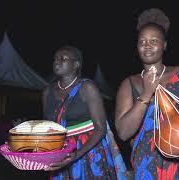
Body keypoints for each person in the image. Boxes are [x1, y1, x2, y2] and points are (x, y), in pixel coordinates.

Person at [115, 8, 179, 179]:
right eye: (142, 41)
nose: (147, 46)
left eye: (154, 41)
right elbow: (123, 132)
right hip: (149, 165)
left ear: (165, 45)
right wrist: (146, 94)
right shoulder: (129, 84)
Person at [42, 46, 127, 179]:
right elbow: (48, 128)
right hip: (61, 152)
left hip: (88, 151)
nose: (57, 61)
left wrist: (76, 154)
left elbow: (100, 128)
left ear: (76, 65)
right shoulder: (47, 92)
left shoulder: (87, 88)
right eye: (55, 59)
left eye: (63, 58)